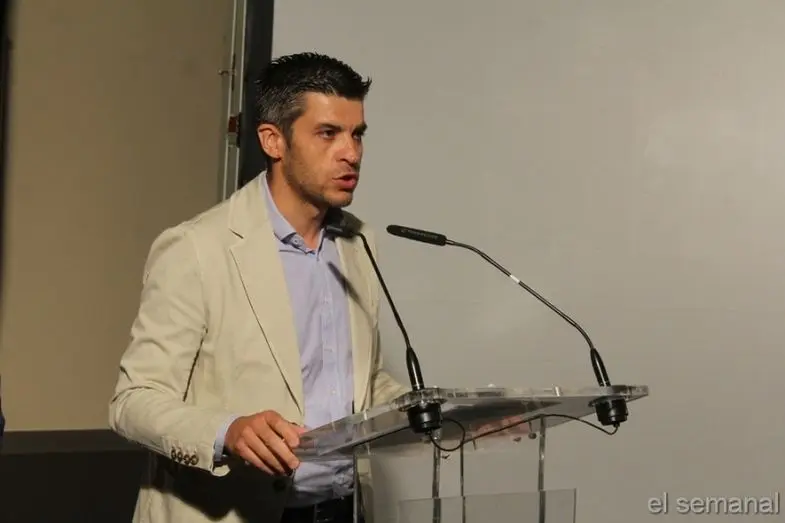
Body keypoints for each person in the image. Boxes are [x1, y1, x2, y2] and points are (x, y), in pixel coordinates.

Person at [108, 52, 408, 523]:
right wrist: (227, 431)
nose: (351, 153)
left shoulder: (358, 243)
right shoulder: (197, 248)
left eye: (357, 134)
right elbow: (133, 401)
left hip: (342, 510)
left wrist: (439, 412)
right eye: (328, 133)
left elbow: (356, 383)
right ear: (273, 140)